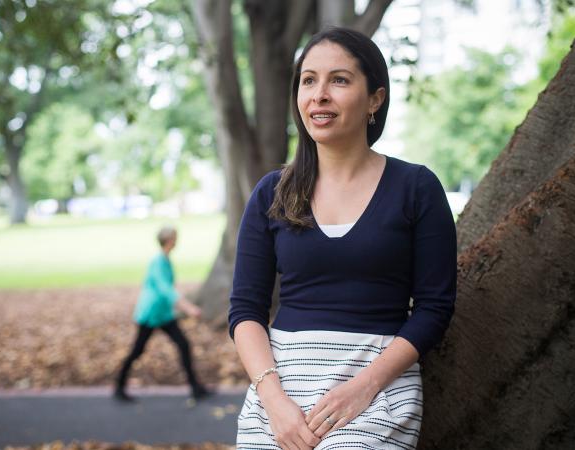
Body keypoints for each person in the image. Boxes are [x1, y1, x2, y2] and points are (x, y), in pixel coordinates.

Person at [229, 27, 457, 449]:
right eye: (309, 80)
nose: (319, 94)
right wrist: (274, 401)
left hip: (376, 388)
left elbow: (434, 309)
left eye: (339, 80)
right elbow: (245, 310)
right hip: (280, 390)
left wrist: (364, 387)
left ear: (375, 98)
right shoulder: (272, 192)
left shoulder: (416, 187)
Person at [114, 225, 212, 402]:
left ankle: (195, 388)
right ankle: (119, 387)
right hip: (150, 314)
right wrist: (188, 308)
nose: (177, 241)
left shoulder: (165, 260)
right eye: (175, 237)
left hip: (164, 314)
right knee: (137, 351)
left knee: (183, 345)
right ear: (169, 240)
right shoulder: (158, 262)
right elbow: (166, 290)